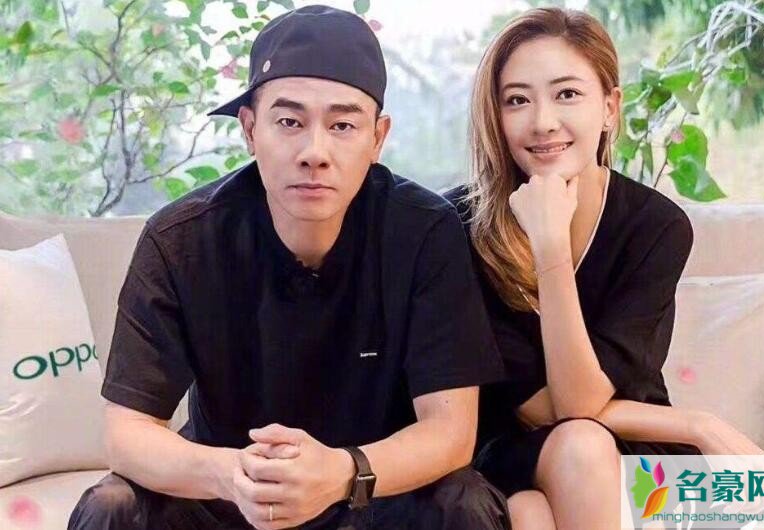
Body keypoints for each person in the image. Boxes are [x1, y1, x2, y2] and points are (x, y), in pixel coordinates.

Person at [68, 5, 510, 530]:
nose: (314, 152)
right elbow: (126, 433)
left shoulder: (425, 231)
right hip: (227, 496)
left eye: (342, 125)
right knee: (112, 506)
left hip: (369, 495)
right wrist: (231, 475)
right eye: (289, 122)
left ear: (377, 137)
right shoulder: (181, 241)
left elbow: (451, 432)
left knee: (463, 502)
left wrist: (342, 472)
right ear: (250, 129)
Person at [445, 7, 764, 530]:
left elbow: (595, 397)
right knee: (563, 462)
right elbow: (557, 406)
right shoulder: (459, 228)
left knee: (535, 513)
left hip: (639, 452)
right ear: (494, 116)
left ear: (610, 107)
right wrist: (550, 246)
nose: (543, 121)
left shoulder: (655, 226)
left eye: (567, 94)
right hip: (514, 453)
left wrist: (697, 430)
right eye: (517, 100)